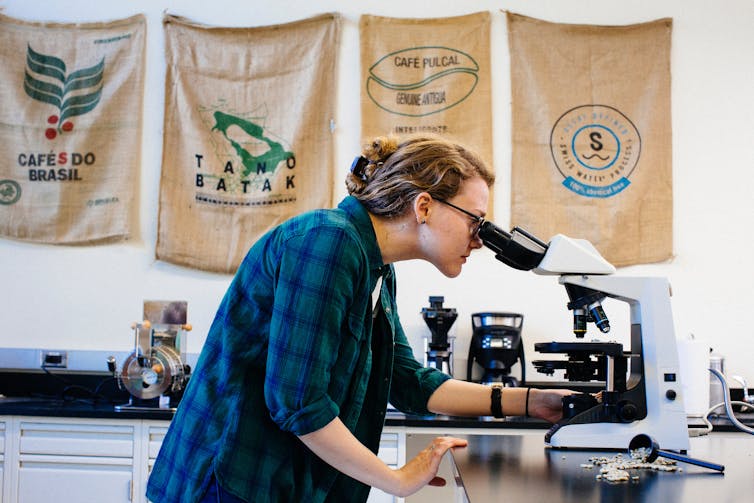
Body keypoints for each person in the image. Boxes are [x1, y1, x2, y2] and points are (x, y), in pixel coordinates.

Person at [146, 134, 573, 503]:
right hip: (232, 477)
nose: (480, 240)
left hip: (282, 480)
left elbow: (408, 381)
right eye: (475, 221)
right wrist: (397, 480)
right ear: (424, 206)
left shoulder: (377, 270)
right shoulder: (327, 241)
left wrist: (530, 401)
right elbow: (296, 402)